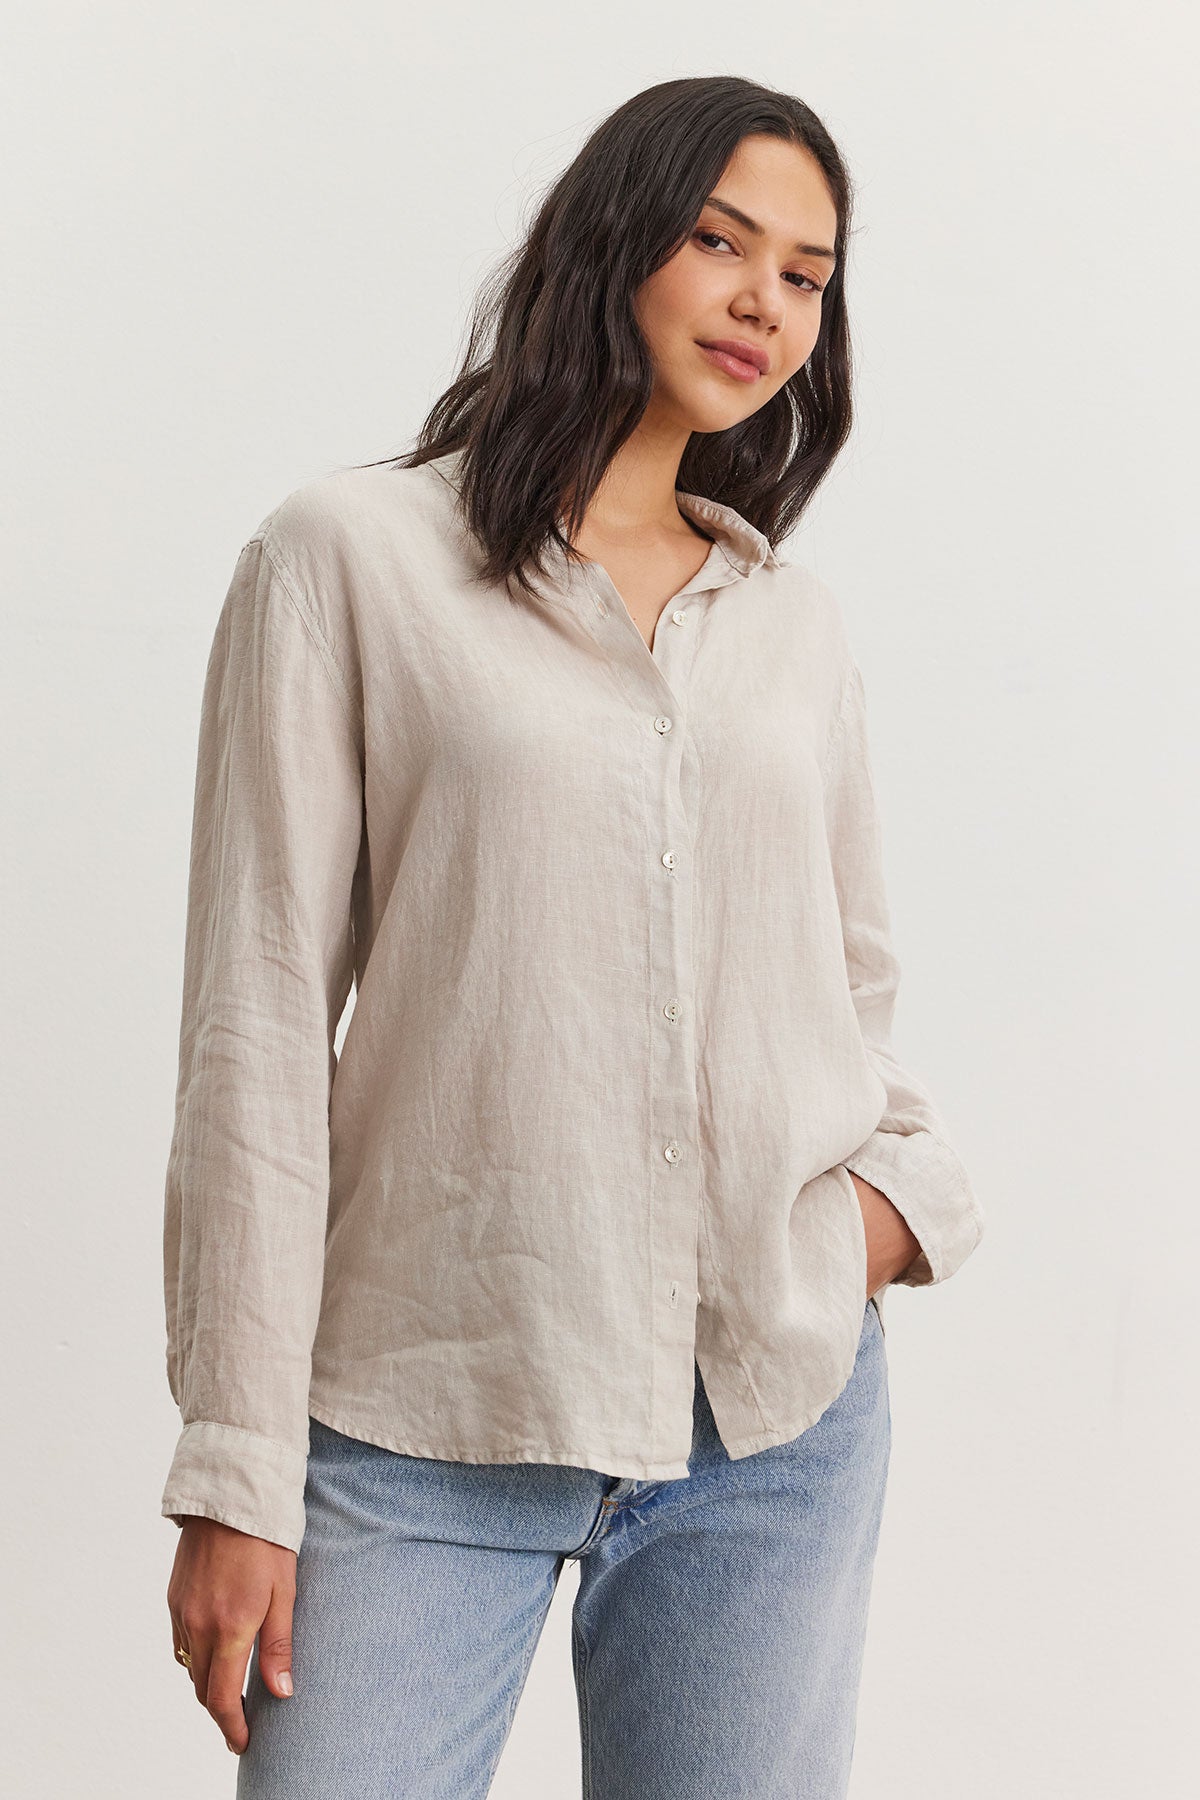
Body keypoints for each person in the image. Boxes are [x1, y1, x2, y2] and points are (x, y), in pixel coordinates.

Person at [162, 73, 985, 1799]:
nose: (769, 299)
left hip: (770, 1427)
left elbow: (852, 992)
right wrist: (236, 1467)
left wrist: (892, 1217)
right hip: (426, 1408)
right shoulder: (352, 558)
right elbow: (253, 1025)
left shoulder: (793, 623)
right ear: (614, 243)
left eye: (812, 274)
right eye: (722, 241)